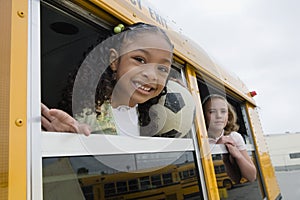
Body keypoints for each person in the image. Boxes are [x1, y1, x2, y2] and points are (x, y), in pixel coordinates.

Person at [41, 22, 174, 137]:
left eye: (162, 69)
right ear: (114, 60)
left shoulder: (147, 117)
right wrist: (73, 137)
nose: (151, 75)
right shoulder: (90, 113)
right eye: (139, 59)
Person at [202, 94, 256, 182]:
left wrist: (237, 155)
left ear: (229, 116)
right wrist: (217, 148)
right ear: (203, 116)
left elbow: (251, 177)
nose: (219, 116)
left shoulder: (234, 137)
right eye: (212, 111)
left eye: (223, 111)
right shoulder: (199, 139)